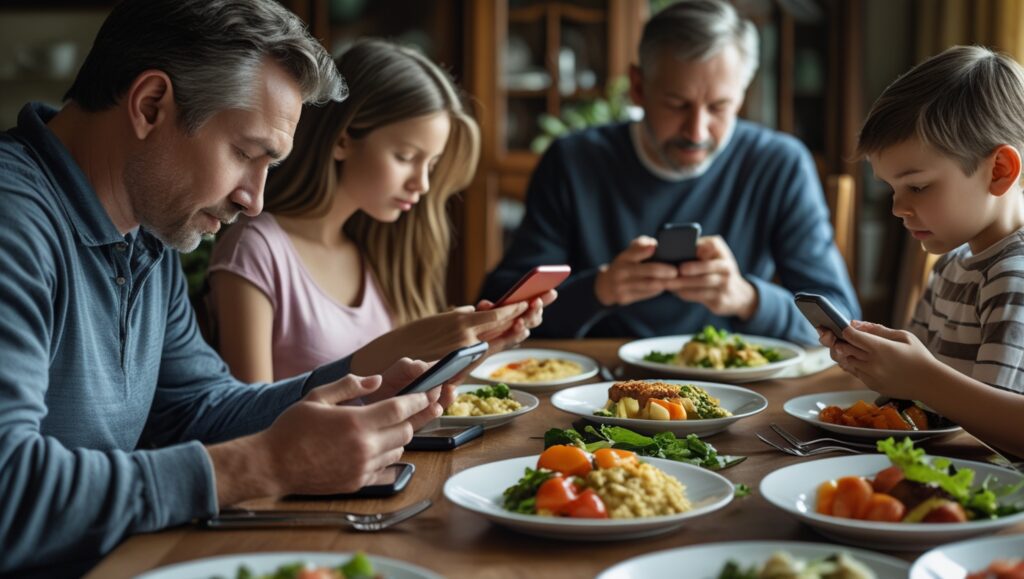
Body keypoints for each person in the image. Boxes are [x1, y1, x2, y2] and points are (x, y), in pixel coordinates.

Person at [0, 2, 456, 576]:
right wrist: (262, 465)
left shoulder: (147, 234)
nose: (255, 200)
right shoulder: (12, 221)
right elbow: (9, 491)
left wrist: (356, 390)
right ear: (151, 105)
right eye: (245, 154)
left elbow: (198, 408)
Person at [480, 0, 859, 343]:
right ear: (639, 87)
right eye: (677, 104)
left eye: (719, 107)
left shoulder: (780, 163)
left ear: (741, 96)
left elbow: (843, 320)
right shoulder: (573, 160)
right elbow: (501, 310)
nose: (697, 131)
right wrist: (599, 290)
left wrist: (748, 299)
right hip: (597, 384)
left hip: (737, 384)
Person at [207, 39, 551, 383]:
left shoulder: (378, 249)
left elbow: (399, 395)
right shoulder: (255, 251)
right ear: (342, 140)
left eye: (431, 164)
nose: (422, 184)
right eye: (405, 157)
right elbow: (248, 418)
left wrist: (480, 350)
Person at [820, 45, 1024, 457]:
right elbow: (926, 401)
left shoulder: (1015, 275)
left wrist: (918, 378)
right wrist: (881, 368)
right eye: (892, 189)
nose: (898, 208)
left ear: (999, 171)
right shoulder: (951, 265)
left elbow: (1011, 436)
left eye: (917, 186)